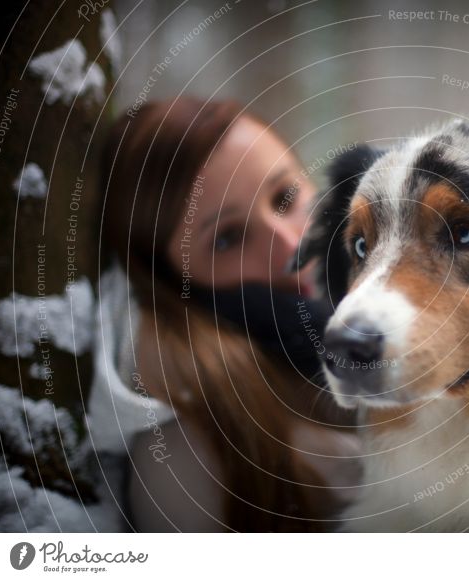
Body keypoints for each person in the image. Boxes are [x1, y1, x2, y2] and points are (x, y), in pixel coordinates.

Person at [95, 96, 358, 532]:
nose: (292, 248)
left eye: (286, 196)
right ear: (169, 278)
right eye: (227, 239)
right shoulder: (189, 456)